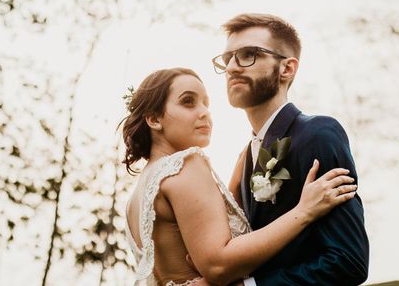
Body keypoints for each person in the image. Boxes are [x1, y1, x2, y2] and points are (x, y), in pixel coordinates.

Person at [122, 67, 357, 286]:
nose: (204, 113)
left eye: (206, 103)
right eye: (188, 102)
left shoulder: (140, 192)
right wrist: (303, 212)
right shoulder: (187, 164)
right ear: (154, 119)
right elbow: (218, 264)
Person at [214, 13, 369, 285]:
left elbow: (349, 261)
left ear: (287, 68)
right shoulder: (247, 157)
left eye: (248, 54)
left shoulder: (318, 134)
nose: (232, 68)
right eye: (228, 59)